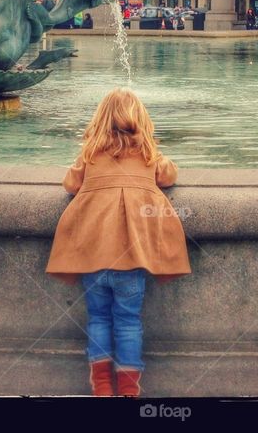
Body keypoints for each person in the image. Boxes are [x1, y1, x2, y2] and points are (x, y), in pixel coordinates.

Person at [46, 88, 190, 397]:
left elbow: (70, 184)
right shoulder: (149, 155)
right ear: (141, 121)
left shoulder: (90, 155)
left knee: (98, 317)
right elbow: (169, 176)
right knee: (127, 321)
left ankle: (101, 386)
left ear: (100, 121)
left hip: (93, 257)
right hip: (131, 259)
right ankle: (128, 389)